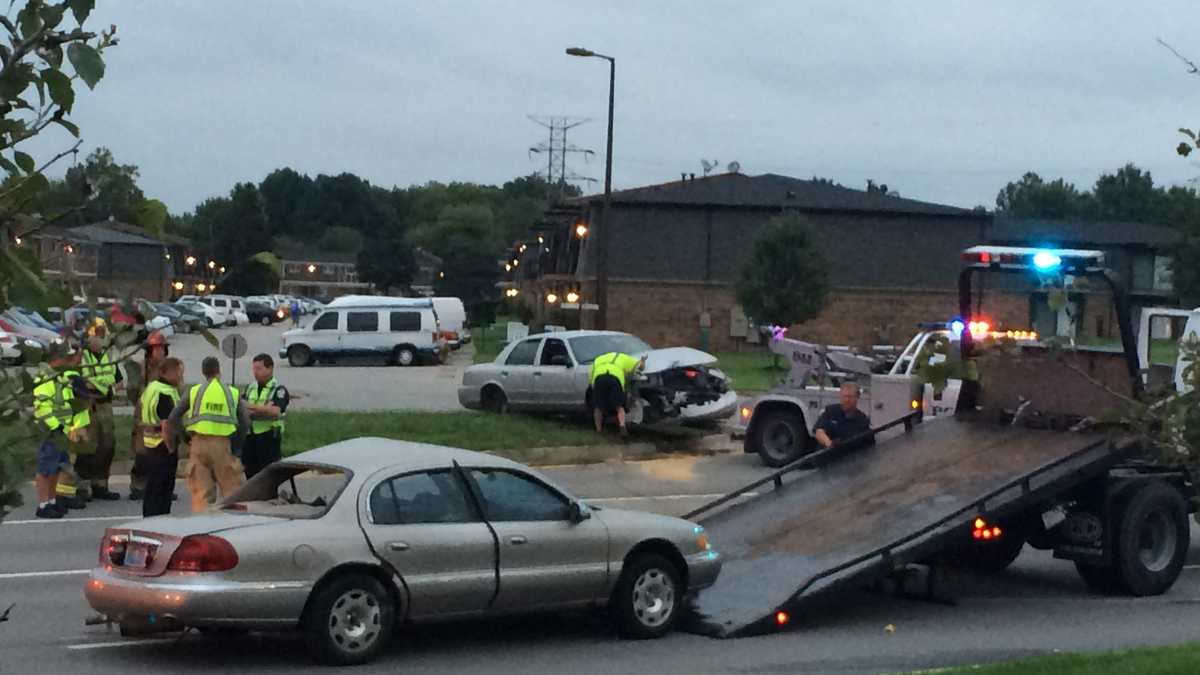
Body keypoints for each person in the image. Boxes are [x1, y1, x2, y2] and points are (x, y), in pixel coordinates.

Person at [166, 356, 250, 512]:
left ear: (203, 372)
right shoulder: (231, 392)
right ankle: (233, 528)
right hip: (223, 446)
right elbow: (245, 422)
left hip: (198, 445)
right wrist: (237, 447)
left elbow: (173, 417)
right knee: (233, 493)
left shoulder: (194, 391)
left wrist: (186, 437)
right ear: (219, 371)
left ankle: (203, 528)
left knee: (202, 495)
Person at [32, 351, 91, 519]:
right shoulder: (45, 378)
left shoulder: (61, 377)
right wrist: (56, 426)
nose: (67, 361)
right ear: (55, 359)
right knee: (45, 469)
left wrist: (71, 427)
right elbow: (43, 406)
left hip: (62, 429)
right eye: (64, 358)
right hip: (50, 430)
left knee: (56, 468)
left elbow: (72, 403)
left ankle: (51, 501)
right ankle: (43, 505)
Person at [80, 332, 123, 500]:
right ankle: (83, 488)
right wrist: (102, 386)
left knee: (107, 444)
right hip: (88, 405)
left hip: (105, 405)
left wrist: (104, 388)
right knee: (88, 446)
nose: (100, 340)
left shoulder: (107, 357)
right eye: (96, 337)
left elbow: (119, 382)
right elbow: (82, 383)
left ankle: (101, 486)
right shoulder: (82, 357)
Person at [139, 357, 184, 517]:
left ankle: (149, 518)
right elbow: (167, 424)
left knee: (152, 487)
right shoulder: (165, 392)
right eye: (179, 372)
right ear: (170, 372)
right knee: (163, 489)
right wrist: (171, 448)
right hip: (162, 445)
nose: (181, 376)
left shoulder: (152, 387)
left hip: (150, 444)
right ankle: (160, 521)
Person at [128, 330, 169, 501]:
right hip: (143, 420)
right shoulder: (140, 368)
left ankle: (160, 487)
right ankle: (138, 486)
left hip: (163, 420)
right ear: (149, 350)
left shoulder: (169, 368)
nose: (160, 352)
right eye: (156, 348)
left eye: (162, 348)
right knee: (142, 455)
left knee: (162, 456)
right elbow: (132, 391)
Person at [241, 353, 289, 479]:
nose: (255, 372)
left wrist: (250, 407)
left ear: (270, 368)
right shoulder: (250, 388)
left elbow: (275, 411)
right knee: (250, 475)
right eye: (254, 369)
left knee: (268, 476)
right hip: (250, 437)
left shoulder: (279, 390)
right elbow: (240, 407)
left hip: (268, 438)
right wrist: (264, 408)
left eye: (259, 369)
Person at [588, 351, 647, 436]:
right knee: (619, 406)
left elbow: (591, 379)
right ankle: (622, 427)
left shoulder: (598, 359)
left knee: (598, 407)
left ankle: (599, 430)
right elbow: (640, 368)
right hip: (614, 378)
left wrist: (595, 390)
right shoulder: (623, 357)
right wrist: (643, 360)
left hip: (599, 379)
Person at [813, 382, 875, 451]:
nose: (847, 400)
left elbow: (869, 445)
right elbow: (819, 432)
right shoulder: (830, 411)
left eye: (850, 397)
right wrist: (829, 444)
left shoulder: (862, 420)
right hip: (827, 457)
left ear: (857, 398)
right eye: (844, 396)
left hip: (849, 458)